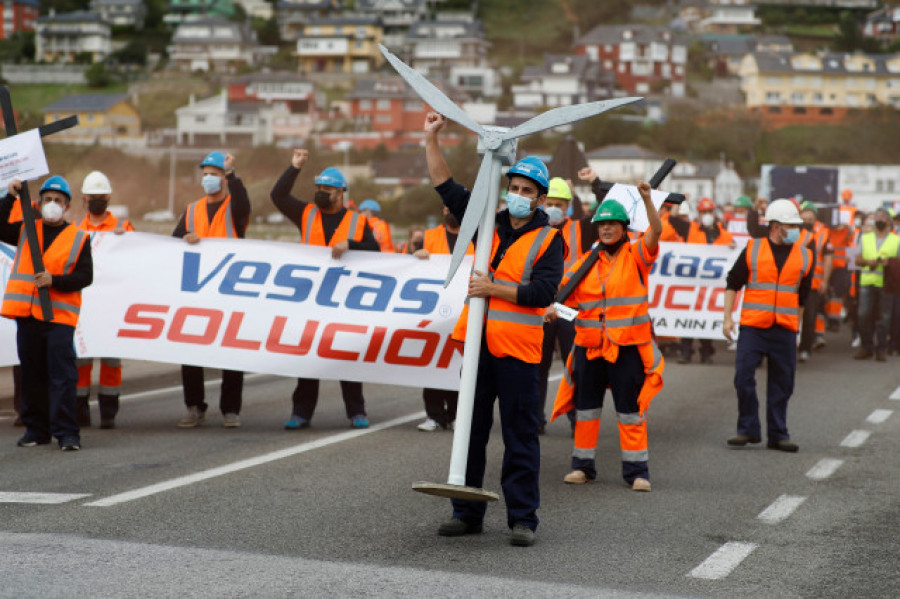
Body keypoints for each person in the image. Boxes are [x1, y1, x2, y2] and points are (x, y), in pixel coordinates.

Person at [424, 111, 564, 547]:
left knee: (521, 438)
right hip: (480, 347)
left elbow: (543, 292)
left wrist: (493, 288)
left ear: (540, 199)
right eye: (515, 188)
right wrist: (432, 139)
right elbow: (447, 189)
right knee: (470, 430)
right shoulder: (489, 220)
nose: (518, 195)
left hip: (520, 353)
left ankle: (523, 519)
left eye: (527, 191)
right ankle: (466, 512)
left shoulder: (549, 239)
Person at [549, 185, 665, 491]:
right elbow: (564, 297)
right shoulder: (586, 262)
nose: (607, 228)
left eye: (612, 224)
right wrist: (556, 311)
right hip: (590, 347)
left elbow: (656, 230)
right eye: (602, 224)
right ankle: (582, 467)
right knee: (585, 410)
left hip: (626, 347)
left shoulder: (636, 254)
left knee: (630, 411)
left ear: (624, 228)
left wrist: (648, 201)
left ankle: (637, 472)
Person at [270, 149, 380, 430]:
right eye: (319, 187)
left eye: (328, 189)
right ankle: (301, 413)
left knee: (347, 358)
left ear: (341, 192)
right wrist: (295, 167)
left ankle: (356, 411)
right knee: (308, 359)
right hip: (311, 300)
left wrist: (350, 245)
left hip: (346, 301)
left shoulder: (357, 222)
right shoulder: (306, 213)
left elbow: (376, 251)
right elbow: (278, 196)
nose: (321, 192)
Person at [1, 176, 92, 450]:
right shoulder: (27, 229)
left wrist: (55, 281)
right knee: (31, 374)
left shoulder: (78, 238)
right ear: (39, 204)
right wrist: (9, 198)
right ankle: (36, 430)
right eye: (48, 200)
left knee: (62, 376)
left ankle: (67, 433)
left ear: (67, 207)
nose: (53, 205)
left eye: (58, 201)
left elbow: (85, 276)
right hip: (28, 315)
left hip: (58, 318)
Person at [723, 199, 813, 453]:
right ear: (775, 226)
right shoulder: (753, 248)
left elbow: (803, 297)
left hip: (784, 328)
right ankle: (748, 429)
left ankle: (778, 434)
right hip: (753, 327)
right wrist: (727, 317)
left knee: (783, 383)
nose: (796, 229)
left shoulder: (804, 255)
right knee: (743, 377)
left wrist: (797, 326)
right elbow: (733, 282)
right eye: (790, 225)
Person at [173, 151, 250, 429]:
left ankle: (230, 409)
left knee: (230, 351)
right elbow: (171, 243)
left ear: (224, 178)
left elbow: (243, 203)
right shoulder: (192, 210)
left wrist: (232, 173)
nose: (208, 178)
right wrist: (184, 236)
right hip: (198, 290)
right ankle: (194, 406)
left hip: (229, 290)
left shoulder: (235, 206)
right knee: (190, 351)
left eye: (214, 174)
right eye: (205, 173)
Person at [74, 170, 134, 429]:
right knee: (81, 361)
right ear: (84, 199)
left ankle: (109, 412)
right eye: (92, 196)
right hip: (84, 307)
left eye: (100, 196)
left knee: (111, 361)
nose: (96, 200)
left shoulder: (123, 228)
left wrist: (126, 242)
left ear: (108, 198)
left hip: (112, 306)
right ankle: (79, 410)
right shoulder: (75, 230)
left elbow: (139, 258)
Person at [411, 205, 474, 431]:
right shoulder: (429, 237)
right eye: (448, 207)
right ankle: (435, 415)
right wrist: (417, 256)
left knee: (460, 363)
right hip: (435, 311)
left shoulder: (476, 237)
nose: (451, 211)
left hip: (464, 311)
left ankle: (458, 414)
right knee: (434, 361)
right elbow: (410, 270)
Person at [669, 197, 734, 364]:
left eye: (709, 211)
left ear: (714, 213)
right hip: (691, 284)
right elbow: (672, 219)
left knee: (708, 317)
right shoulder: (690, 229)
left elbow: (732, 258)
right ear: (698, 214)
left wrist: (732, 249)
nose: (707, 215)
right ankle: (686, 351)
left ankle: (706, 352)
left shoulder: (725, 236)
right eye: (703, 212)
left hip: (712, 285)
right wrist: (678, 201)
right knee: (688, 317)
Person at [537, 177, 579, 434]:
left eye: (559, 204)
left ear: (568, 206)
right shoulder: (535, 230)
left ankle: (577, 419)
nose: (553, 207)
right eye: (549, 202)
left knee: (573, 365)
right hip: (540, 307)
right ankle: (534, 420)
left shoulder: (580, 229)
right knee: (537, 366)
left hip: (570, 308)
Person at [853, 208, 899, 362]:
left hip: (887, 283)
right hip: (867, 281)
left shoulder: (896, 240)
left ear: (889, 222)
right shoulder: (865, 238)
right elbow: (857, 260)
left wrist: (888, 263)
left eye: (883, 218)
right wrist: (868, 262)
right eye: (877, 217)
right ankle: (866, 346)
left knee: (884, 317)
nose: (879, 220)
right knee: (863, 315)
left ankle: (881, 349)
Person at [797, 202, 833, 362]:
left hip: (813, 283)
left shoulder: (823, 233)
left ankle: (805, 348)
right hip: (793, 281)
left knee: (809, 317)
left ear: (815, 218)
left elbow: (828, 259)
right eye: (804, 218)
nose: (807, 221)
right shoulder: (794, 230)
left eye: (810, 218)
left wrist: (825, 280)